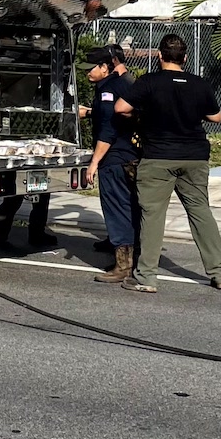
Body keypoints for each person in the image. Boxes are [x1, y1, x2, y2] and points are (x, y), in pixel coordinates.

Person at [114, 31, 221, 293]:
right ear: (185, 58)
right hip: (194, 156)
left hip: (158, 157)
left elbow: (120, 108)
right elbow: (216, 117)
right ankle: (220, 273)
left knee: (153, 216)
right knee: (200, 213)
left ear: (159, 56)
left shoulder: (149, 82)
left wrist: (142, 109)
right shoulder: (199, 83)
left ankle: (147, 277)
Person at [82, 43, 140, 283]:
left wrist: (94, 162)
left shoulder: (108, 89)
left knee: (117, 209)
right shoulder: (125, 83)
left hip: (114, 158)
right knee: (130, 207)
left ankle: (122, 265)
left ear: (105, 67)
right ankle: (133, 255)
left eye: (91, 68)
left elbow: (108, 129)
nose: (87, 72)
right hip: (131, 154)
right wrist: (88, 112)